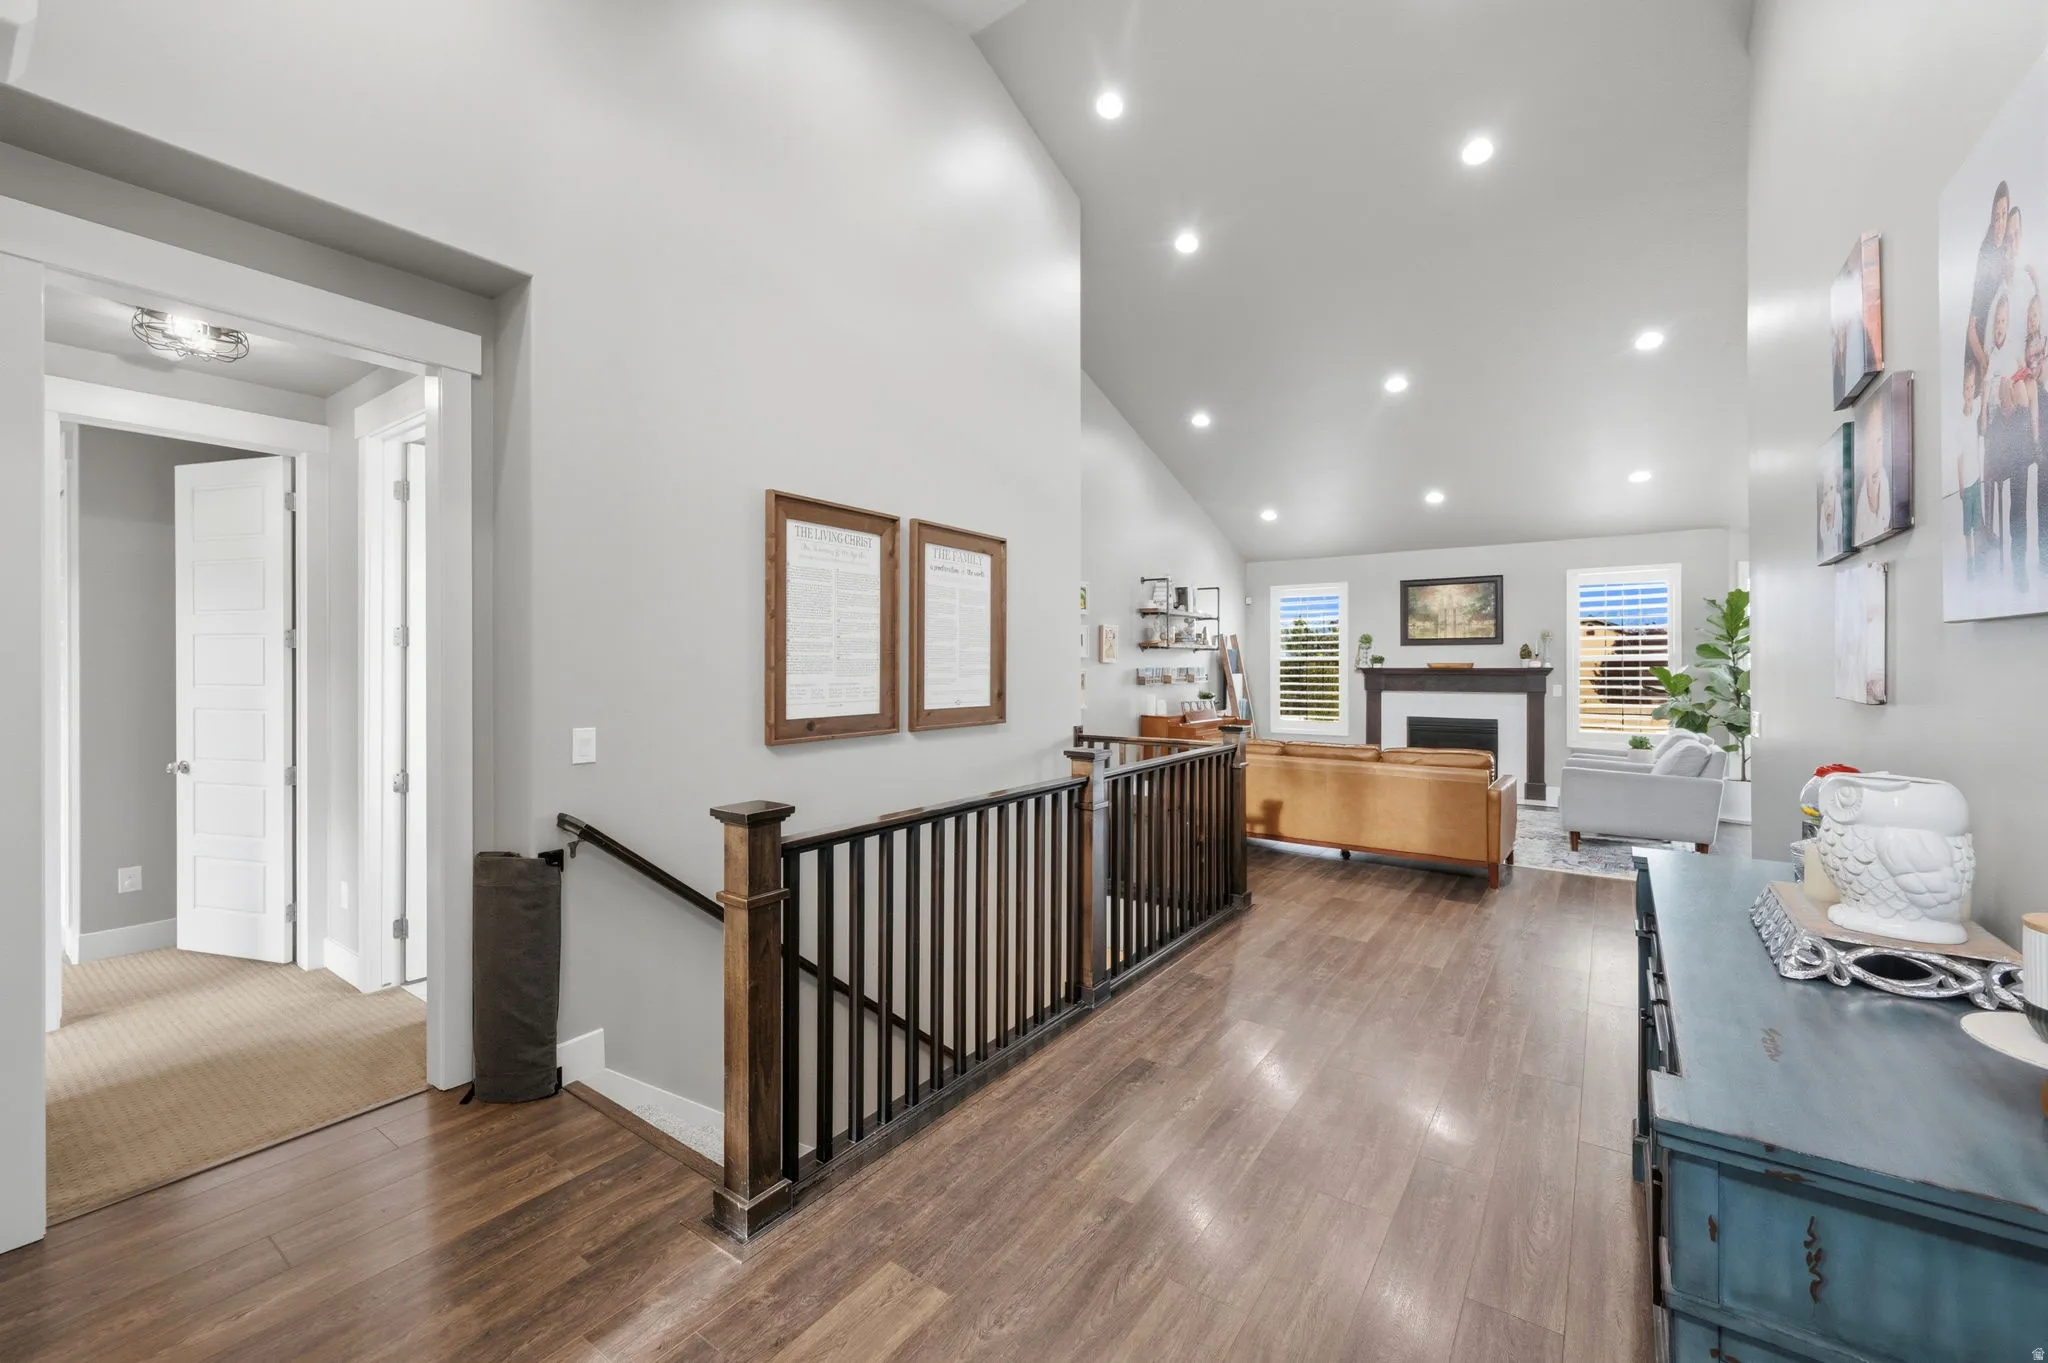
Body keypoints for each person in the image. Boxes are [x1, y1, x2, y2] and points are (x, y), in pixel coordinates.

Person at [1967, 182, 2013, 380]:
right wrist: (1981, 357)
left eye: (2004, 214)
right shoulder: (1985, 257)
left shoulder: (2009, 250)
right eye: (1996, 216)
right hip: (1980, 345)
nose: (2001, 222)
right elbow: (1972, 325)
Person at [1954, 357, 1986, 577]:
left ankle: (1979, 556)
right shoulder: (1960, 420)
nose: (1969, 391)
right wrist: (1960, 485)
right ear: (1962, 390)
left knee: (1976, 520)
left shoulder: (1976, 413)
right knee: (1967, 526)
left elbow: (1983, 411)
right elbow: (1959, 456)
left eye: (1971, 387)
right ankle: (1970, 561)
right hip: (1967, 479)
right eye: (1966, 387)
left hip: (1977, 477)